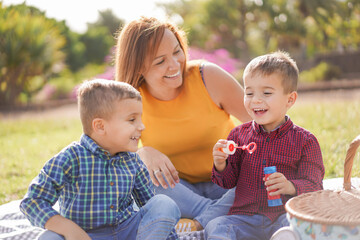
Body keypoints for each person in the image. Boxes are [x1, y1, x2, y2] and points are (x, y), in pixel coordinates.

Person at [114, 17, 251, 230]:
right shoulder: (131, 99)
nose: (174, 64)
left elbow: (263, 124)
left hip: (229, 183)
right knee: (137, 176)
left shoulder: (208, 77)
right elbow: (113, 158)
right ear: (138, 67)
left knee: (257, 174)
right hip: (180, 191)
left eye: (177, 52)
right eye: (160, 61)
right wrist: (143, 153)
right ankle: (218, 213)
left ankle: (199, 223)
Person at [19, 79, 180, 240]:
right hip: (83, 235)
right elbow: (32, 202)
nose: (141, 126)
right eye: (132, 120)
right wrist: (70, 230)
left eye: (140, 118)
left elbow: (151, 210)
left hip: (128, 232)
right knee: (48, 238)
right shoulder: (70, 158)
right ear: (100, 126)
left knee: (164, 204)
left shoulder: (133, 161)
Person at [207, 51, 325, 239]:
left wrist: (290, 186)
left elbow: (315, 185)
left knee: (295, 229)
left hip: (284, 216)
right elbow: (228, 182)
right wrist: (221, 164)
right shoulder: (238, 136)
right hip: (245, 219)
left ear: (290, 99)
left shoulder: (305, 141)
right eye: (249, 92)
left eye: (267, 93)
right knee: (216, 225)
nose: (256, 100)